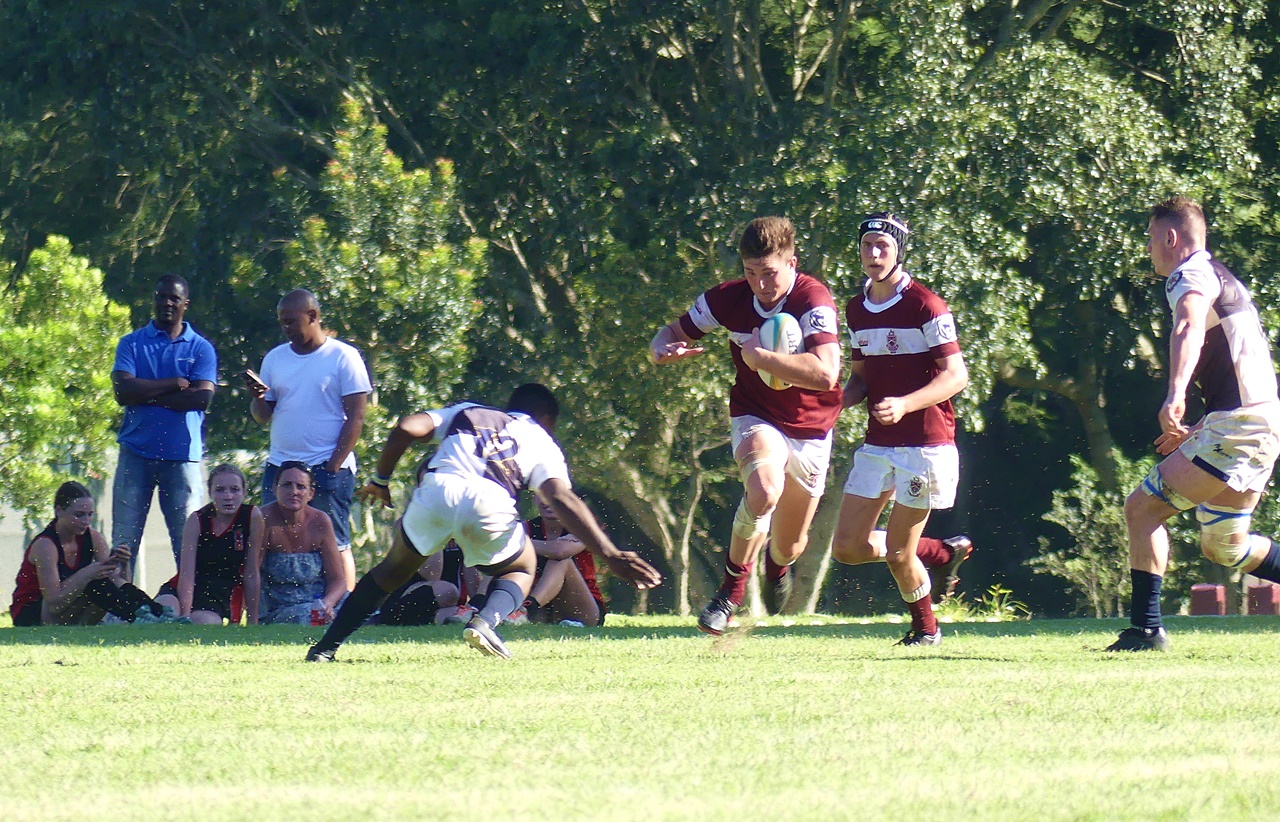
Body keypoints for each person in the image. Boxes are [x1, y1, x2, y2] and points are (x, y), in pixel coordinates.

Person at [304, 383, 662, 661]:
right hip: (489, 499)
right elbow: (562, 498)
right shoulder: (542, 440)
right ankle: (485, 622)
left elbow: (406, 428)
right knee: (522, 567)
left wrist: (381, 480)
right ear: (548, 420)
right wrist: (609, 553)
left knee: (388, 574)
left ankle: (325, 648)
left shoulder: (469, 412)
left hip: (437, 490)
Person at [649, 216, 842, 634]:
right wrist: (661, 349)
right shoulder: (728, 298)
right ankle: (729, 594)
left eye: (770, 273)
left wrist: (762, 358)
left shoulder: (814, 300)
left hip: (811, 429)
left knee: (790, 545)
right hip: (757, 415)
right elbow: (668, 332)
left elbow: (827, 374)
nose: (761, 284)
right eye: (751, 273)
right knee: (764, 491)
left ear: (793, 263)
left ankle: (776, 567)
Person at [1108, 196, 1280, 651]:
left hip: (1242, 424)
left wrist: (1176, 393)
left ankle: (1145, 630)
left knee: (1142, 509)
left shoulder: (1192, 274)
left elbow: (1187, 327)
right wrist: (1205, 421)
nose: (1149, 249)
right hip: (1256, 420)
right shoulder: (1223, 275)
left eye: (1150, 239)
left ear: (1170, 237)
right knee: (1225, 546)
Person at [829, 213, 972, 647]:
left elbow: (956, 376)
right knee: (848, 547)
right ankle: (941, 553)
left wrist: (906, 403)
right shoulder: (856, 308)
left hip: (925, 446)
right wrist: (828, 403)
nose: (874, 254)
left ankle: (926, 630)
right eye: (867, 245)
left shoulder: (926, 305)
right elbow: (861, 380)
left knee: (896, 553)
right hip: (879, 444)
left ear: (899, 252)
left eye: (883, 246)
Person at [246, 289, 371, 592]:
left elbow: (356, 417)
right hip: (280, 466)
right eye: (281, 323)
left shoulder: (343, 356)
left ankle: (341, 609)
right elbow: (263, 416)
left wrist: (333, 465)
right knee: (271, 539)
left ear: (313, 316)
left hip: (328, 467)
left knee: (336, 542)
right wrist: (258, 397)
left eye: (291, 321)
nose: (286, 328)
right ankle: (277, 609)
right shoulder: (276, 358)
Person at [111, 274, 217, 578]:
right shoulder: (131, 343)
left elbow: (202, 399)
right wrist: (174, 384)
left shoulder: (200, 348)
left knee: (187, 541)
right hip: (136, 452)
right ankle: (120, 611)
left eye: (174, 298)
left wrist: (147, 393)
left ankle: (192, 609)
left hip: (181, 456)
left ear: (186, 303)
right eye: (161, 296)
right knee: (124, 541)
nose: (166, 303)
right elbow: (123, 392)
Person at [10, 482, 172, 626]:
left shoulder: (92, 536)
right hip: (33, 612)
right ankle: (136, 617)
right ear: (59, 511)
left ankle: (157, 612)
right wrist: (87, 573)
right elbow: (53, 602)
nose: (86, 521)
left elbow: (117, 584)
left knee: (103, 580)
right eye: (79, 515)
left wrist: (124, 564)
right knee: (94, 581)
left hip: (66, 610)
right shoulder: (45, 545)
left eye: (90, 515)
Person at [154, 464, 264, 625]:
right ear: (210, 493)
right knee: (165, 612)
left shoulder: (251, 516)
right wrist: (184, 614)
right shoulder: (198, 519)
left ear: (244, 492)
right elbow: (186, 573)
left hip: (219, 594)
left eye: (234, 489)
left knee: (205, 623)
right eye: (220, 490)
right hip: (186, 588)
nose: (228, 496)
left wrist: (252, 621)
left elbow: (251, 571)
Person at [244, 462, 348, 625]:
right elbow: (251, 573)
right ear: (274, 489)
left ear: (311, 493)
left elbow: (338, 580)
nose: (293, 492)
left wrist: (327, 604)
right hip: (281, 608)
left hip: (319, 601)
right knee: (308, 617)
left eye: (301, 487)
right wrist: (253, 620)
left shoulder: (320, 521)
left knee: (363, 607)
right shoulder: (262, 519)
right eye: (286, 485)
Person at [508, 497, 607, 627]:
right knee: (503, 560)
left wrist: (517, 543)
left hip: (583, 609)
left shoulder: (584, 527)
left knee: (561, 560)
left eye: (553, 495)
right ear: (535, 498)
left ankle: (526, 609)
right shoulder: (525, 528)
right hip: (544, 608)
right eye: (542, 495)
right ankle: (481, 606)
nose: (547, 501)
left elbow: (560, 551)